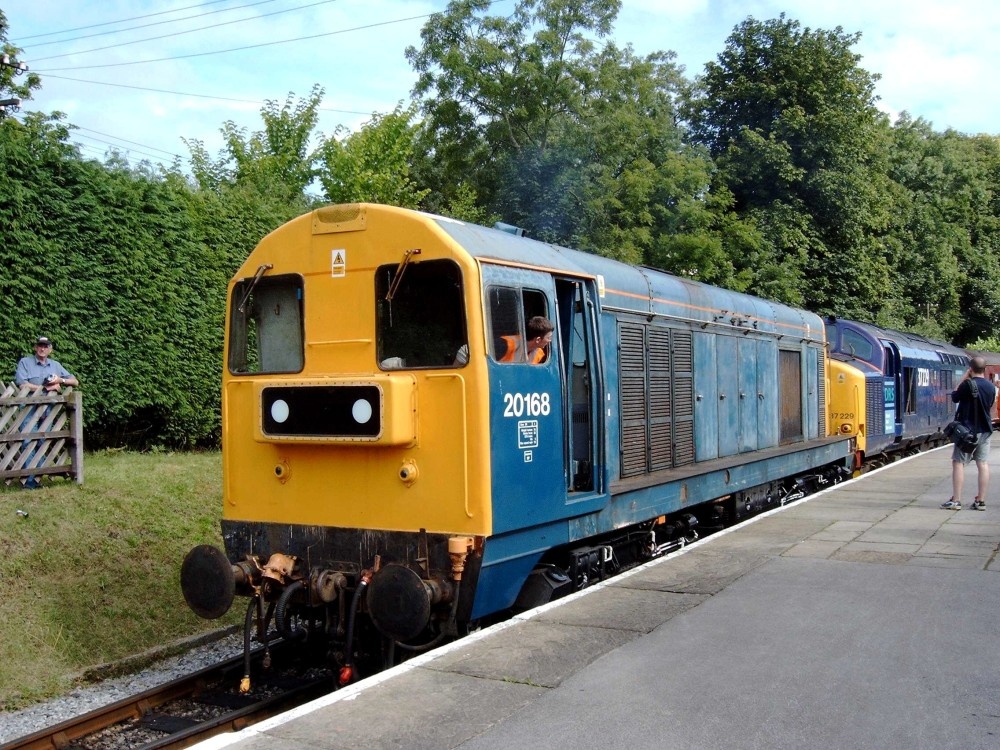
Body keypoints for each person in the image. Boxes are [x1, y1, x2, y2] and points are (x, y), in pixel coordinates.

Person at [941, 356, 996, 510]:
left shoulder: (967, 384)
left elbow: (954, 397)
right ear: (985, 369)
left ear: (970, 369)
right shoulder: (991, 387)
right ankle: (981, 501)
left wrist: (964, 378)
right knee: (982, 464)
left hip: (967, 432)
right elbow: (989, 405)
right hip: (985, 431)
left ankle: (956, 500)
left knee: (958, 463)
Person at [15, 336, 79, 393]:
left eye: (45, 347)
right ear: (35, 348)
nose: (42, 349)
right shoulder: (25, 362)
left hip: (53, 405)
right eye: (40, 346)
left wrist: (61, 380)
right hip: (30, 404)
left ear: (50, 350)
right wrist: (46, 388)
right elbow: (23, 385)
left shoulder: (56, 365)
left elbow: (75, 382)